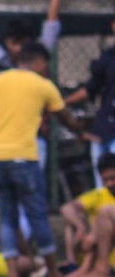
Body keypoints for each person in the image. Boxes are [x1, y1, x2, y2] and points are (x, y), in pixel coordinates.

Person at [0, 42, 80, 277]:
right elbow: (66, 119)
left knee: (7, 216)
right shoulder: (43, 85)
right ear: (38, 62)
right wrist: (81, 130)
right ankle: (53, 272)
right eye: (45, 65)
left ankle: (13, 275)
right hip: (24, 158)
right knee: (37, 214)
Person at [64, 20, 115, 185]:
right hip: (105, 129)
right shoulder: (108, 58)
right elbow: (90, 89)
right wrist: (62, 103)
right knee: (103, 181)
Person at [60, 153, 115, 277]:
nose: (110, 183)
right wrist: (81, 227)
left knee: (105, 212)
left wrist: (94, 234)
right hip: (93, 250)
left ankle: (100, 271)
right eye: (105, 180)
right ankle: (74, 266)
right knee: (73, 219)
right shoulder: (100, 194)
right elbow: (66, 208)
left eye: (113, 178)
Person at [0, 0, 60, 75]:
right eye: (14, 43)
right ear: (6, 42)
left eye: (23, 43)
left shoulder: (38, 57)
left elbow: (51, 27)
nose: (19, 48)